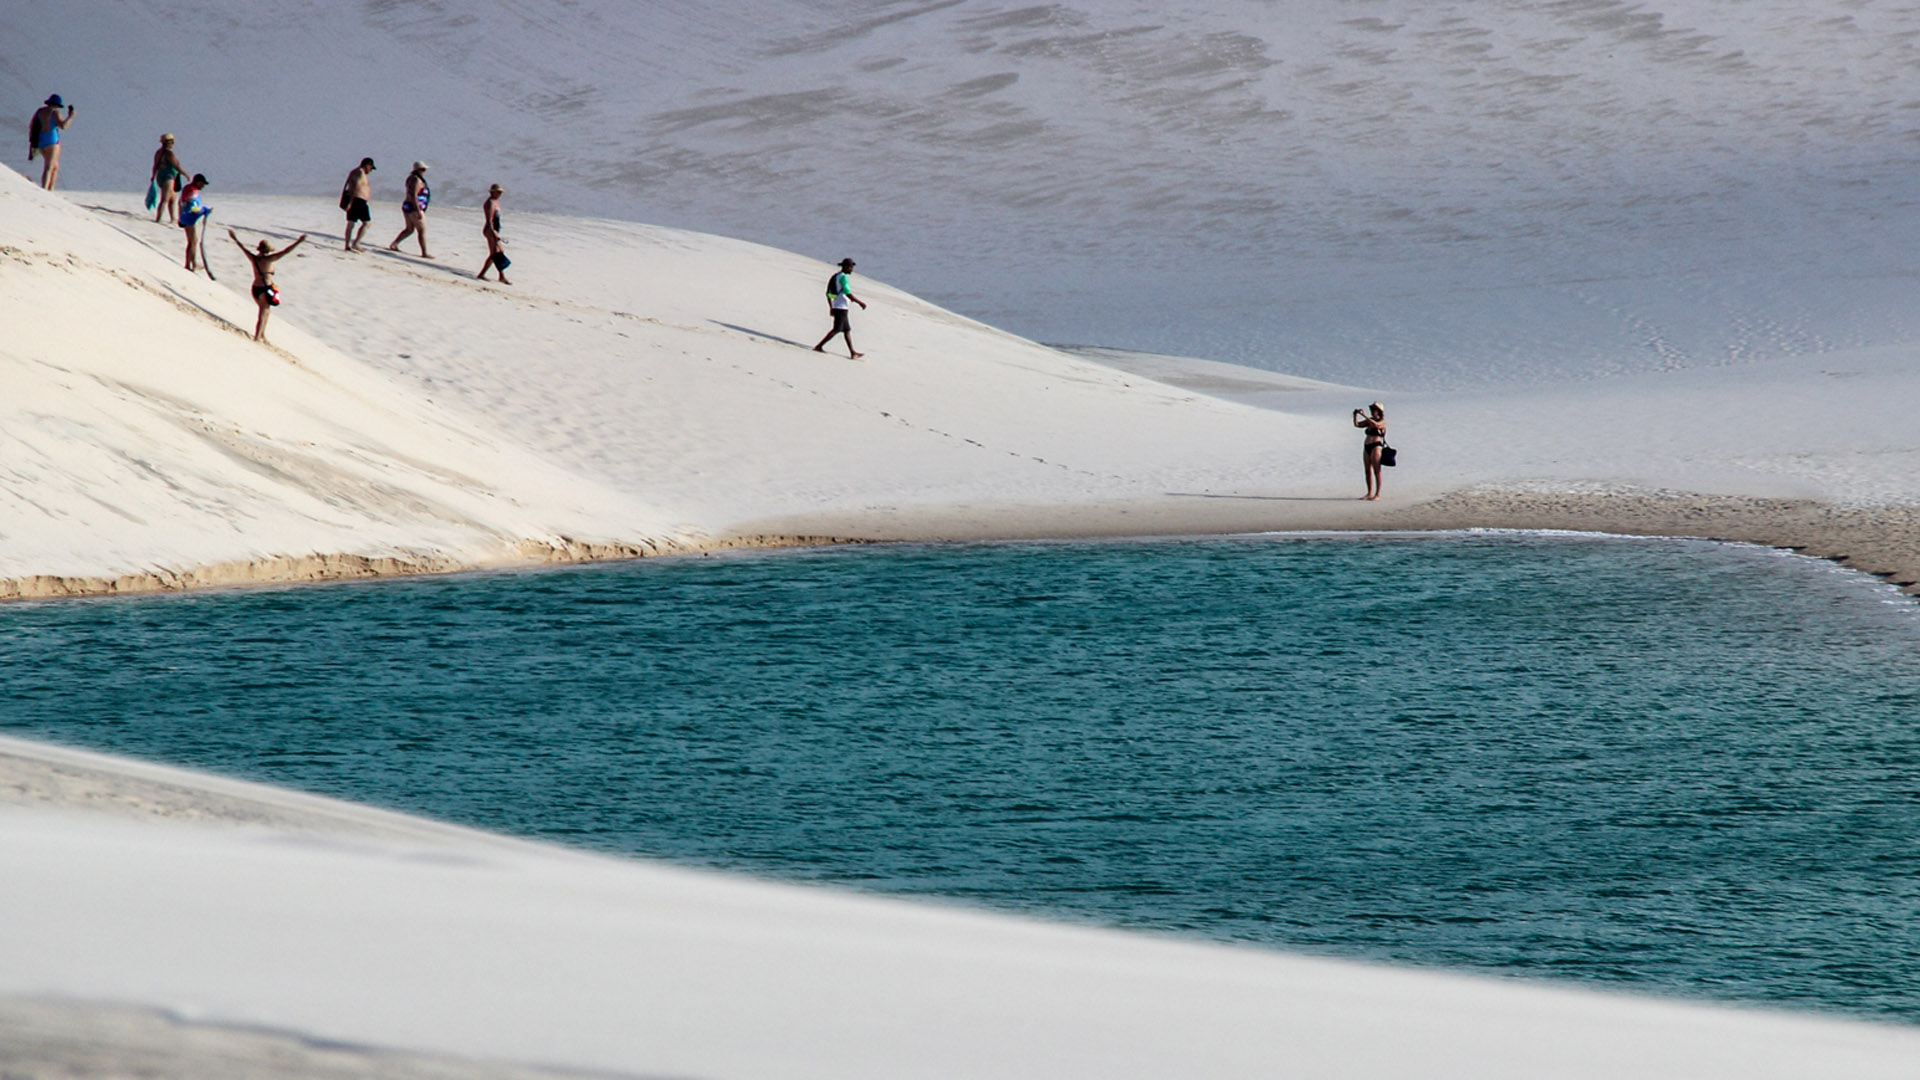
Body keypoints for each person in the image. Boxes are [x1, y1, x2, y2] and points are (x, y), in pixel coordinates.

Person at [228, 228, 307, 342]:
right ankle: (257, 336)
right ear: (268, 250)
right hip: (265, 289)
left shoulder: (254, 258)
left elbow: (242, 248)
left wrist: (235, 238)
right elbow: (285, 251)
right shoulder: (269, 259)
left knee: (265, 311)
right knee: (263, 312)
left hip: (255, 288)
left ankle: (262, 334)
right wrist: (298, 242)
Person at [812, 257, 867, 358]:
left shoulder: (835, 276)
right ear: (845, 267)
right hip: (841, 308)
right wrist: (860, 302)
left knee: (846, 330)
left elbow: (829, 293)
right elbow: (847, 292)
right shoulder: (843, 278)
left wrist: (831, 306)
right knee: (836, 329)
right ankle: (819, 346)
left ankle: (852, 352)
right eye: (850, 267)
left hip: (839, 307)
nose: (852, 269)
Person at [27, 95, 75, 190]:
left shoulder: (40, 112)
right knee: (49, 166)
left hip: (41, 141)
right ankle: (46, 189)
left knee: (55, 166)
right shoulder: (55, 113)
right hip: (52, 141)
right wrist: (71, 116)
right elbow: (63, 126)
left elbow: (33, 125)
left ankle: (50, 188)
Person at [388, 161, 431, 257]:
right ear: (418, 170)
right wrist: (417, 210)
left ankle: (394, 244)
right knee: (421, 230)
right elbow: (413, 195)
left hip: (407, 206)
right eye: (423, 169)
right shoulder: (416, 180)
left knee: (409, 229)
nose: (424, 171)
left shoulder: (411, 178)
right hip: (414, 207)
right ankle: (424, 252)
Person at [1352, 402, 1387, 501]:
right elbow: (1357, 425)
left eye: (1374, 410)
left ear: (1379, 411)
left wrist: (1364, 415)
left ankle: (1377, 494)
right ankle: (1369, 492)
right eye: (1371, 410)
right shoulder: (1369, 420)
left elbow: (1376, 425)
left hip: (1376, 446)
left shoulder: (1382, 421)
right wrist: (1355, 416)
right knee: (1367, 470)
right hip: (1367, 446)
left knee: (1377, 470)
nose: (1372, 412)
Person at [476, 183, 510, 284]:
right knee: (496, 253)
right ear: (492, 192)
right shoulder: (490, 203)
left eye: (500, 193)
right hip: (490, 230)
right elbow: (489, 219)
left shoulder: (496, 202)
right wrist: (493, 232)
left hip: (494, 230)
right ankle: (501, 276)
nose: (500, 194)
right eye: (498, 192)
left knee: (496, 253)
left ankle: (484, 274)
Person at [341, 157, 375, 251]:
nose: (371, 170)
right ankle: (356, 243)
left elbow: (347, 185)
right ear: (367, 165)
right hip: (358, 200)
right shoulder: (360, 173)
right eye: (371, 168)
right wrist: (349, 202)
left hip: (356, 200)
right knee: (367, 223)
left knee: (351, 223)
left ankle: (348, 245)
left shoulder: (355, 172)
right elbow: (355, 187)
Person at [178, 174, 211, 271]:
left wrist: (179, 216)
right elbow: (194, 208)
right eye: (202, 184)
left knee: (192, 241)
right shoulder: (193, 191)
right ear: (198, 182)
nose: (203, 186)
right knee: (193, 241)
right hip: (189, 218)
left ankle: (191, 263)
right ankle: (191, 264)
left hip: (184, 216)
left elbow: (180, 203)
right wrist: (205, 210)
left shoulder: (186, 188)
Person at [150, 134, 185, 224]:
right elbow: (176, 166)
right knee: (165, 198)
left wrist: (153, 176)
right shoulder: (169, 153)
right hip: (168, 176)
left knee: (172, 198)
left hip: (161, 175)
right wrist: (186, 174)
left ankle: (173, 218)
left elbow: (155, 166)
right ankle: (159, 218)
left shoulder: (158, 152)